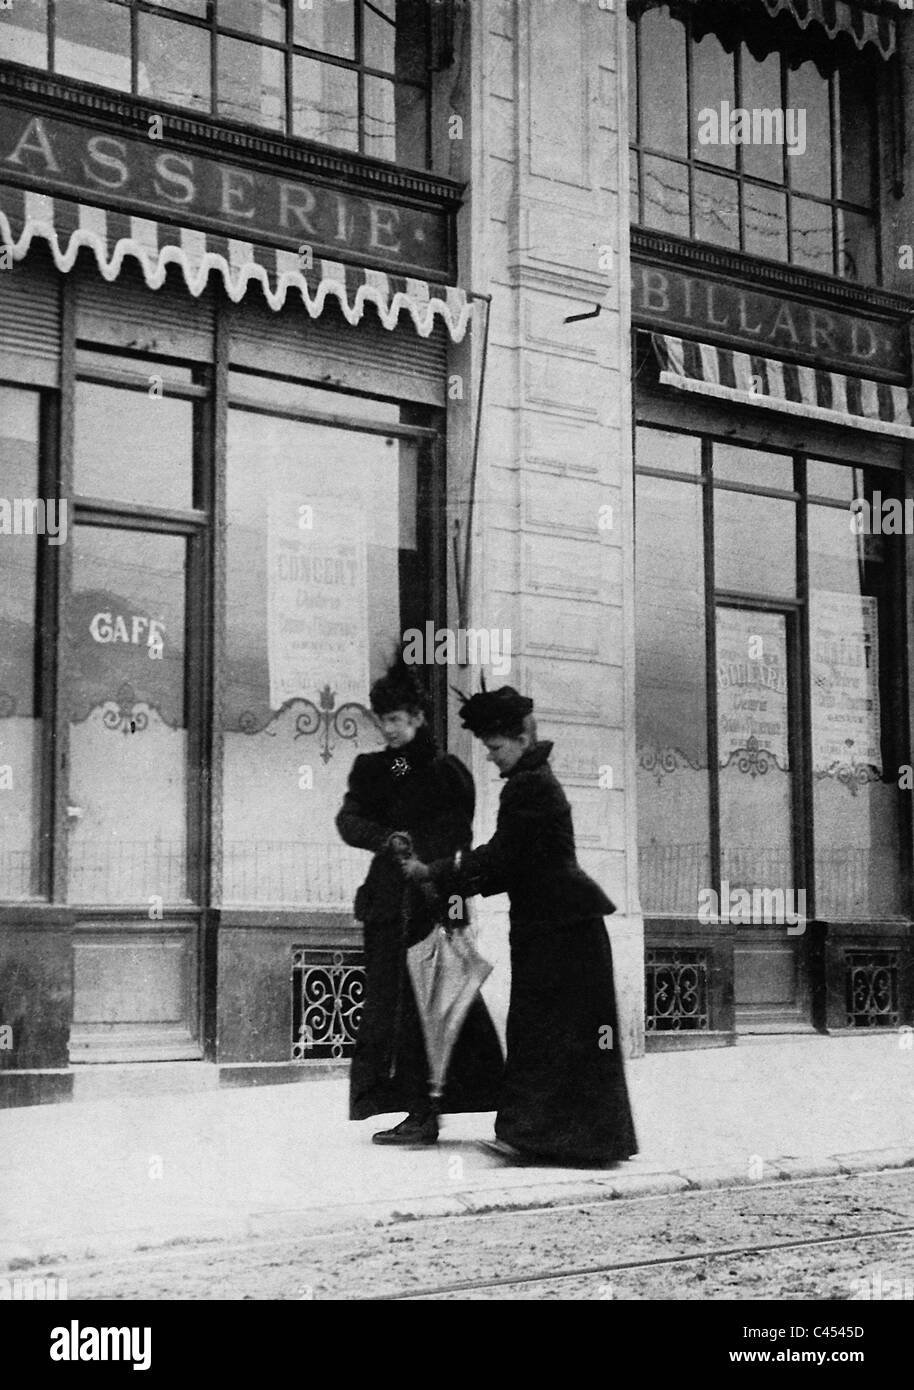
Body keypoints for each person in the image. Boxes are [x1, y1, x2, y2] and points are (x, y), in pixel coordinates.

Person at [403, 685, 637, 1166]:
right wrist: (453, 876)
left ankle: (538, 1137)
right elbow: (506, 862)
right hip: (560, 926)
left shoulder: (529, 786)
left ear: (521, 738)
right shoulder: (532, 780)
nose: (490, 758)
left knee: (546, 1031)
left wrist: (437, 873)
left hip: (560, 930)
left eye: (495, 747)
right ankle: (566, 1138)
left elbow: (503, 859)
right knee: (557, 1033)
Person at [336, 659, 503, 1145]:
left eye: (395, 719)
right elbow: (349, 821)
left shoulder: (448, 773)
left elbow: (460, 847)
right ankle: (412, 1109)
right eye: (381, 719)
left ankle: (426, 1113)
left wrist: (454, 910)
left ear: (417, 717)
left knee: (440, 1007)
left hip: (432, 905)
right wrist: (386, 838)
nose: (387, 730)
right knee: (392, 1010)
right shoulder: (375, 770)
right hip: (388, 908)